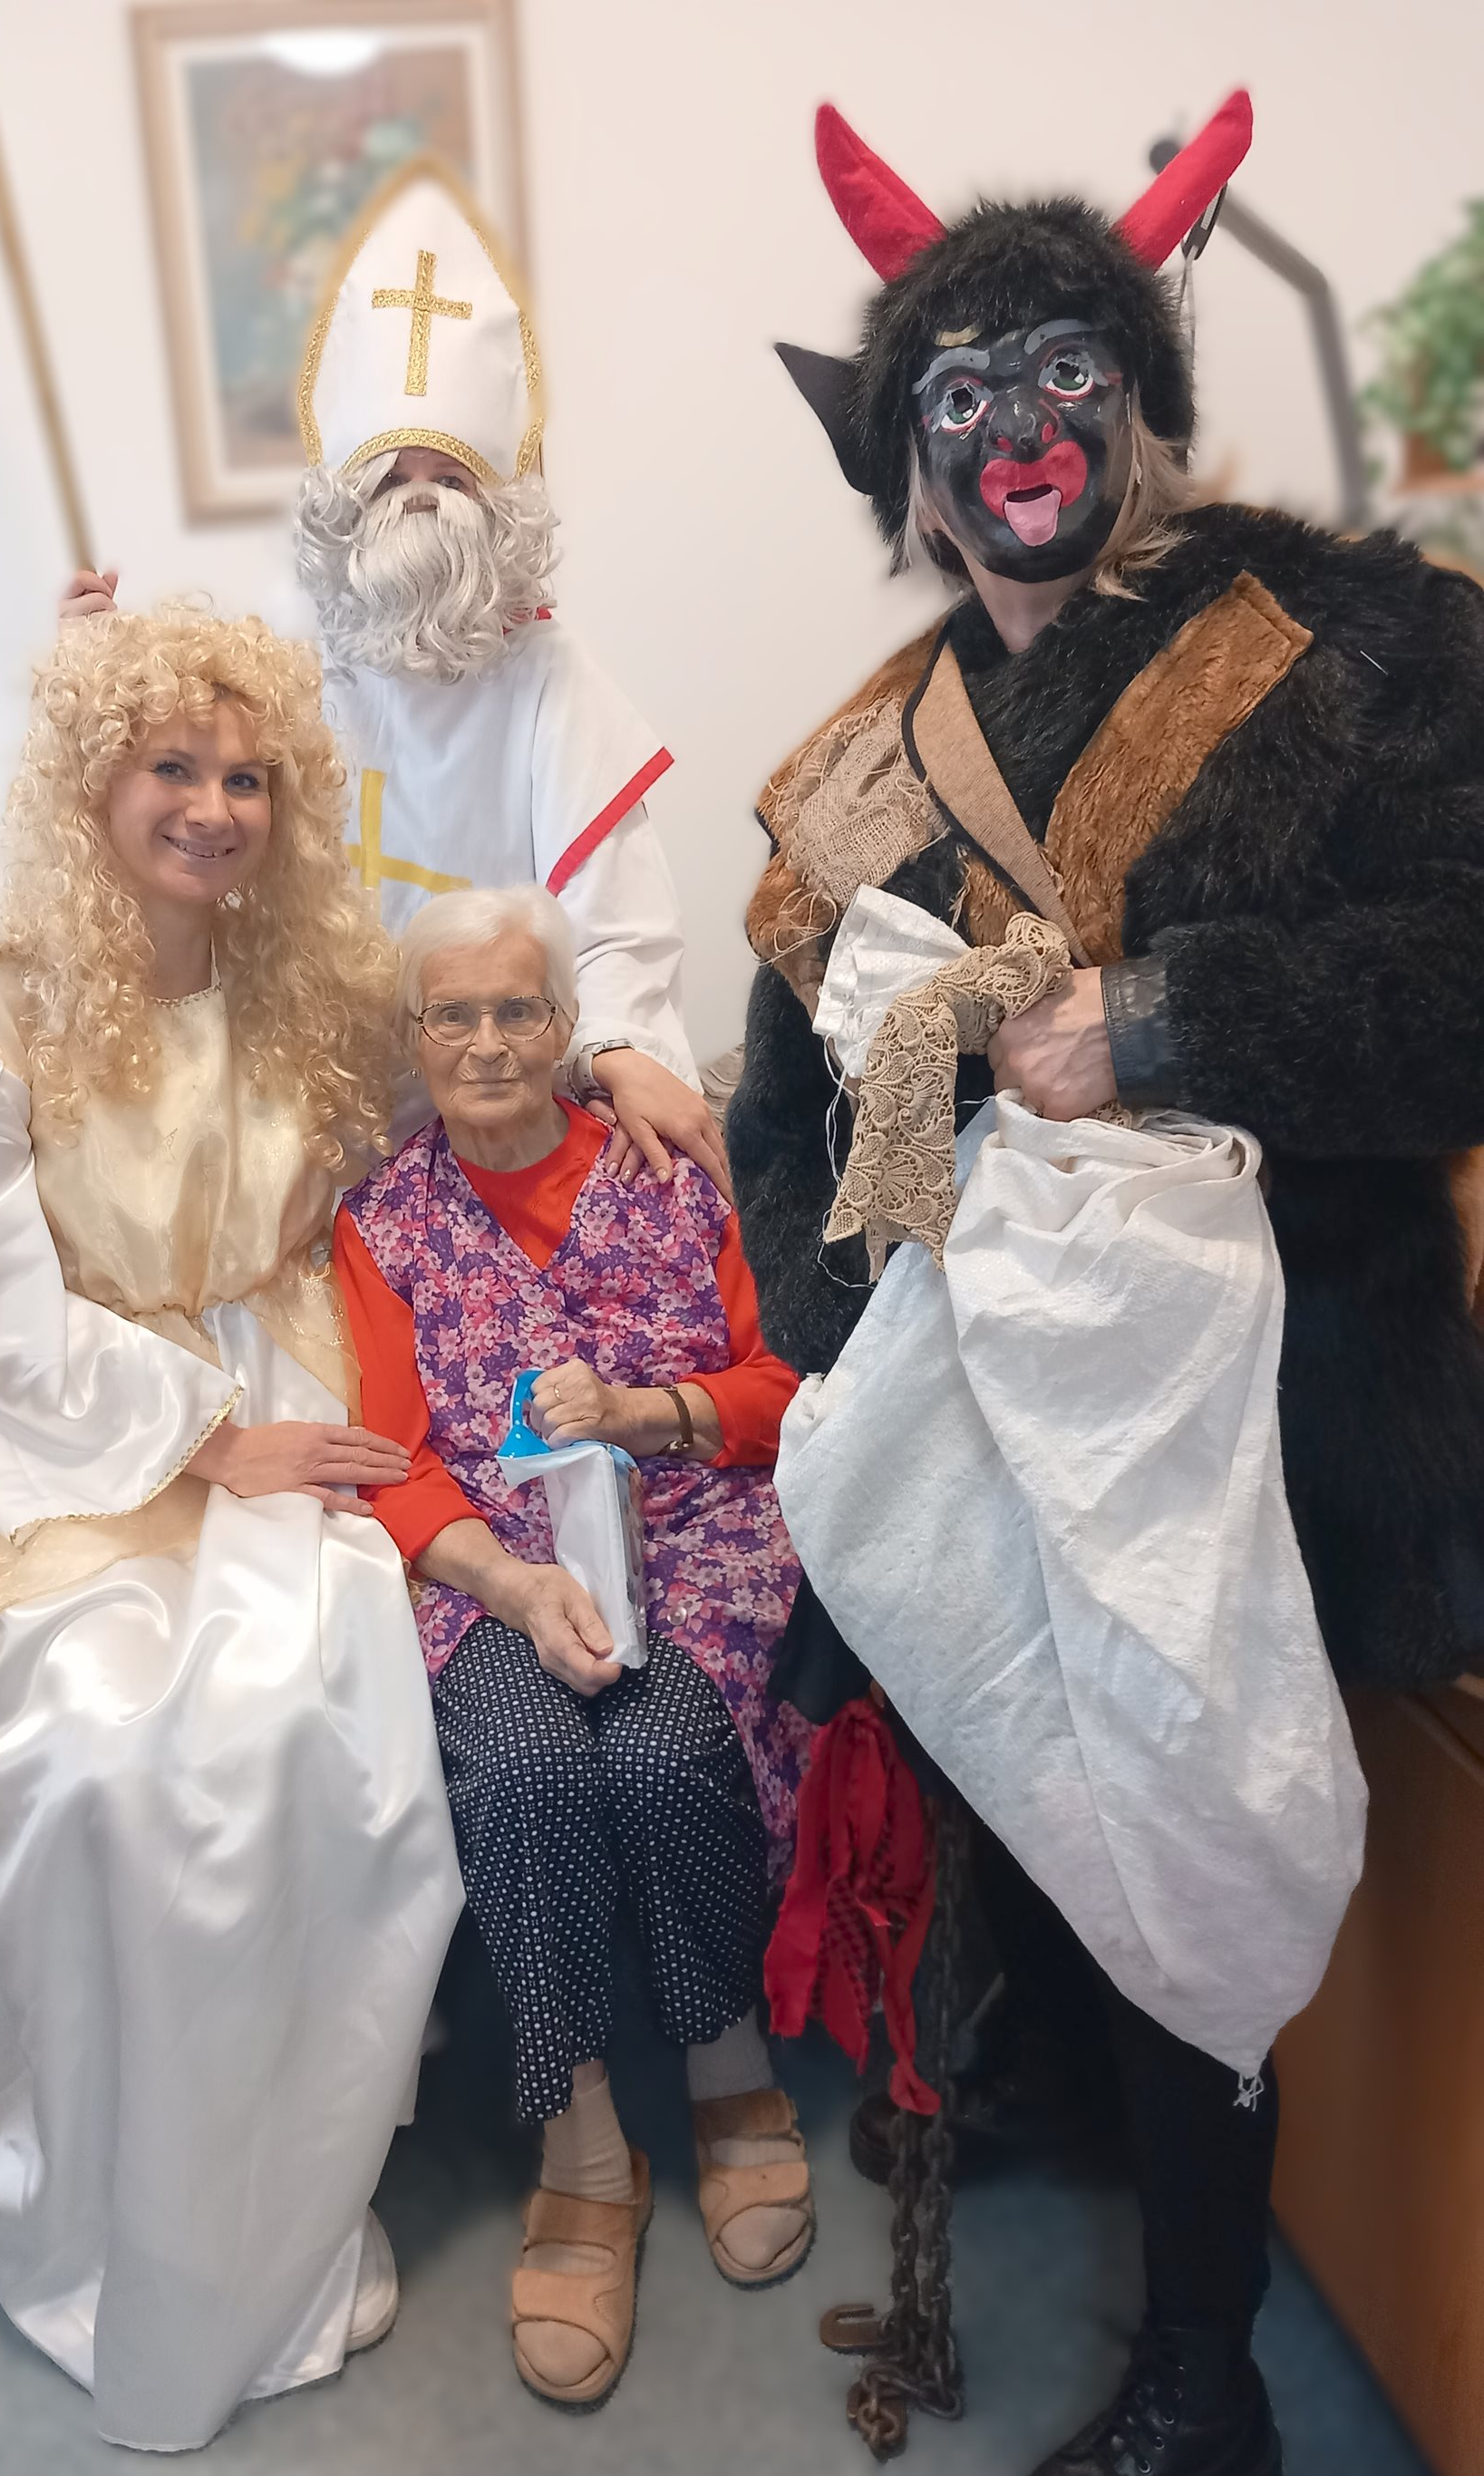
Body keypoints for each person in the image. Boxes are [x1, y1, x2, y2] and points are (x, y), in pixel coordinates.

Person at [727, 92, 1484, 2476]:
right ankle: (1062, 2089)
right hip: (983, 1409)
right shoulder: (864, 758)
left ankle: (1205, 2372)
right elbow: (780, 1102)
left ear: (1139, 394)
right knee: (1029, 1778)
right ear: (909, 461)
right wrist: (858, 1338)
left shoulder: (1366, 645)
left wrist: (1157, 1025)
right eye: (958, 394)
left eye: (1064, 369)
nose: (1017, 432)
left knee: (1190, 1834)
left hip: (1288, 1403)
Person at [0, 610, 462, 2452]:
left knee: (308, 1722)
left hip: (286, 1374)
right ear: (94, 781)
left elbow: (479, 1071)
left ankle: (267, 2194)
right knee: (96, 1750)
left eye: (248, 777)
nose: (213, 808)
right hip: (74, 1433)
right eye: (173, 766)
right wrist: (205, 1442)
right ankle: (109, 2210)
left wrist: (626, 1058)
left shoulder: (309, 974)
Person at [328, 883, 813, 2409]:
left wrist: (648, 1412)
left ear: (566, 1028)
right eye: (454, 1015)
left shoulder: (673, 1176)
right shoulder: (383, 1221)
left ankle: (726, 2061)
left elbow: (780, 1385)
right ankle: (585, 2139)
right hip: (486, 1568)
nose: (486, 1042)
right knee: (530, 1771)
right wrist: (516, 1585)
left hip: (691, 1535)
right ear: (418, 1038)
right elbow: (394, 1460)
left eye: (517, 1009)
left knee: (665, 1750)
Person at [64, 157, 723, 1193]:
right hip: (302, 1114)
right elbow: (178, 822)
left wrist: (624, 1046)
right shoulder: (285, 662)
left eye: (450, 476)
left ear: (502, 505)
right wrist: (106, 675)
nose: (419, 501)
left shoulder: (549, 679)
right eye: (391, 479)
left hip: (494, 1112)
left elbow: (619, 928)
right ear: (345, 510)